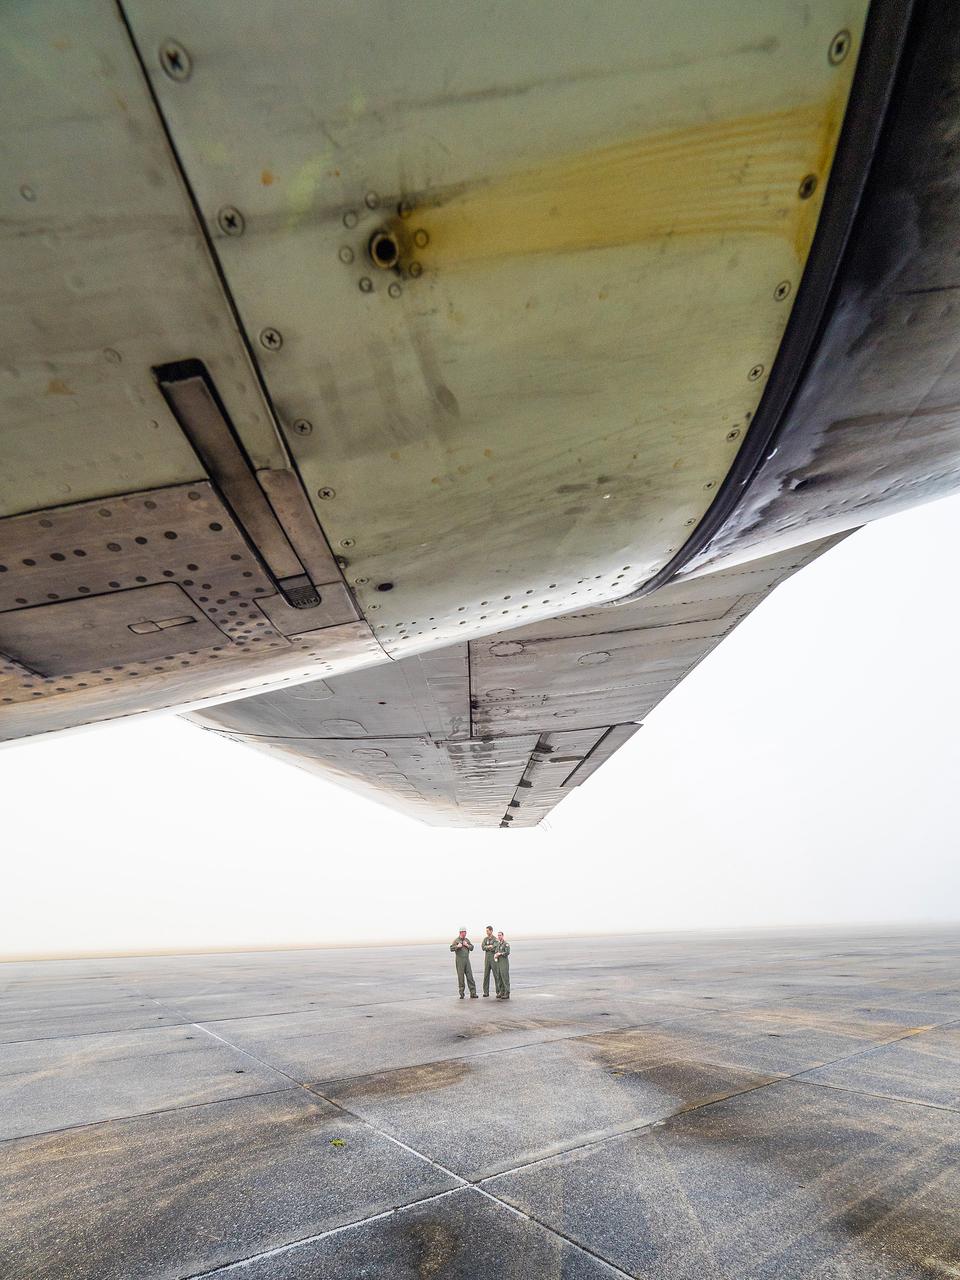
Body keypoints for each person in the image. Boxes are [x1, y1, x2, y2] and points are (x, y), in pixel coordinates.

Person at [449, 928, 478, 998]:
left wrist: (467, 945)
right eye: (464, 932)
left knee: (470, 977)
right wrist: (457, 946)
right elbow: (451, 948)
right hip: (460, 961)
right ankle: (461, 993)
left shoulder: (467, 940)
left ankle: (473, 993)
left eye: (465, 932)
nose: (465, 933)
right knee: (461, 977)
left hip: (467, 960)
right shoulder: (456, 940)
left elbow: (472, 947)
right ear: (460, 932)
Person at [481, 925, 497, 997]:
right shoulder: (485, 939)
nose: (487, 932)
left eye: (487, 931)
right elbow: (483, 947)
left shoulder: (495, 939)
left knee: (496, 975)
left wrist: (489, 947)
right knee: (486, 975)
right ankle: (486, 992)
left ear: (491, 931)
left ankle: (498, 991)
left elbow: (495, 948)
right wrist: (489, 946)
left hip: (493, 959)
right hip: (487, 959)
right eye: (486, 931)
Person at [494, 931, 510, 1000]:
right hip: (499, 963)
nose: (499, 936)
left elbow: (507, 952)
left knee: (505, 977)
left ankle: (507, 992)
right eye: (498, 935)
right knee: (499, 977)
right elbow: (496, 951)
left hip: (504, 963)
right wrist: (496, 955)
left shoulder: (506, 944)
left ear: (503, 936)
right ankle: (501, 992)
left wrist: (500, 954)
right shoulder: (498, 944)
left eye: (500, 935)